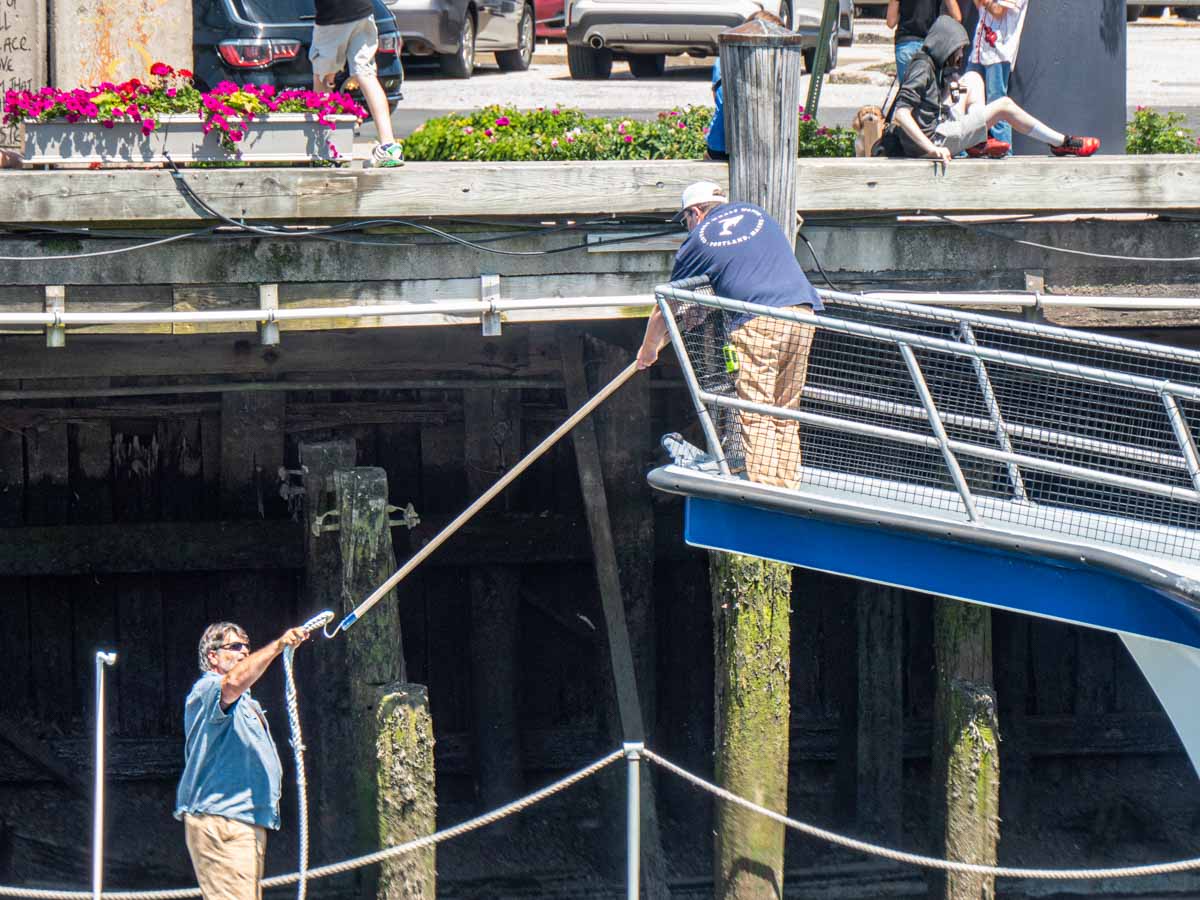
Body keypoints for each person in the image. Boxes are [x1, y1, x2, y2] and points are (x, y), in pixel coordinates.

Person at [637, 181, 823, 490]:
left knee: (756, 411)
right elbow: (743, 268)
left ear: (696, 213)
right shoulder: (757, 213)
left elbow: (664, 306)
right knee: (784, 409)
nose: (687, 228)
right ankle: (788, 484)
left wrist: (648, 350)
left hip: (758, 321)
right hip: (802, 313)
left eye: (685, 221)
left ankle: (768, 491)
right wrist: (702, 309)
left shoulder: (699, 238)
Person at [175, 622, 309, 900]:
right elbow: (233, 683)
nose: (244, 652)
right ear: (213, 656)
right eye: (235, 646)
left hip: (245, 821)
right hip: (222, 821)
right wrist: (278, 646)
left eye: (246, 647)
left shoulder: (248, 704)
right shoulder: (208, 689)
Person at [891, 15, 1098, 160]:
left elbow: (932, 104)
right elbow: (901, 113)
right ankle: (1061, 142)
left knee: (973, 78)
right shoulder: (922, 67)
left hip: (939, 128)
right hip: (935, 140)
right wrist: (932, 149)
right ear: (946, 45)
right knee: (1004, 106)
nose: (961, 55)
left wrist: (951, 84)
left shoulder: (934, 66)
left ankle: (978, 141)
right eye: (959, 49)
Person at [310, 0, 404, 167]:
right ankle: (389, 145)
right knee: (366, 73)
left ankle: (325, 148)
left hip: (333, 15)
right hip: (363, 11)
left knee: (322, 77)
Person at [705, 10, 785, 162]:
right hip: (740, 145)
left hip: (718, 144)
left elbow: (717, 97)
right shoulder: (765, 65)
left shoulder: (722, 60)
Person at [968, 0, 1030, 153]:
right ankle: (972, 146)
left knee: (997, 103)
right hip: (979, 48)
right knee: (971, 99)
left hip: (998, 51)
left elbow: (998, 11)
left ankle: (1004, 153)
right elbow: (980, 6)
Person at [887, 0, 962, 82]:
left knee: (908, 88)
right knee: (929, 88)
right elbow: (957, 17)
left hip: (906, 44)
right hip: (931, 45)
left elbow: (891, 22)